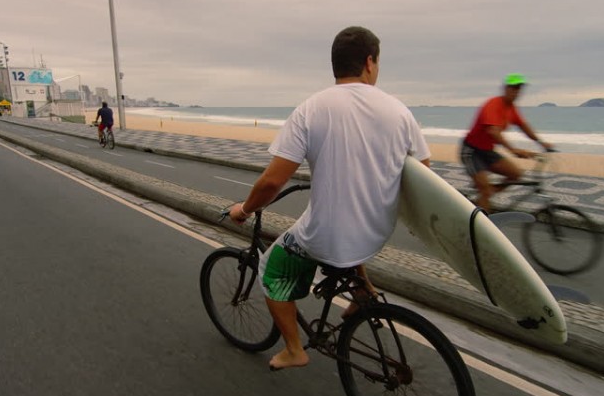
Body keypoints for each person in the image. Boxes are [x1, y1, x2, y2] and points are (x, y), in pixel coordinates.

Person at [228, 26, 431, 370]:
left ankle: (294, 349)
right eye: (377, 63)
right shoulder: (399, 112)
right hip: (376, 233)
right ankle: (362, 288)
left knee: (270, 268)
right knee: (341, 227)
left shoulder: (311, 109)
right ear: (369, 62)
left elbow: (272, 181)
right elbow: (422, 175)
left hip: (331, 237)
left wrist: (245, 209)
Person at [459, 74, 553, 212]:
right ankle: (479, 228)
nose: (516, 92)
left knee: (515, 174)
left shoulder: (511, 108)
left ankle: (480, 201)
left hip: (487, 151)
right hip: (471, 151)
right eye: (513, 88)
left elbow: (523, 126)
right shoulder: (493, 104)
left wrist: (542, 143)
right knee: (485, 191)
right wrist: (513, 150)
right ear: (506, 88)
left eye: (519, 89)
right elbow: (493, 131)